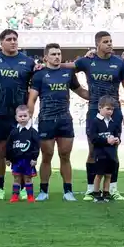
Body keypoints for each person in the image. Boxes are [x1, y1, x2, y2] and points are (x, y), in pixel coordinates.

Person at [73, 32, 124, 200]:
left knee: (112, 150)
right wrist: (80, 91)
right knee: (93, 150)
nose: (110, 44)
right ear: (97, 44)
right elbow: (67, 70)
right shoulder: (87, 61)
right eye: (105, 42)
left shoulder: (119, 63)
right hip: (94, 110)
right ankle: (91, 189)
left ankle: (112, 189)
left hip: (115, 112)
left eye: (111, 41)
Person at [0, 29, 39, 200]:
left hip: (20, 114)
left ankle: (22, 187)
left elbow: (36, 82)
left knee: (23, 151)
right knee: (0, 151)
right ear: (1, 43)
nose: (13, 42)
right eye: (9, 39)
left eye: (15, 39)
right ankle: (0, 188)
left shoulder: (28, 62)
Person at [28, 43, 79, 201]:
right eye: (53, 54)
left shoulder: (68, 73)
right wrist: (28, 119)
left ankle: (68, 191)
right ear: (45, 57)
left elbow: (80, 91)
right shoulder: (39, 75)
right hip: (46, 120)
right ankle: (44, 191)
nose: (57, 56)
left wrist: (97, 98)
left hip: (65, 120)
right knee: (47, 156)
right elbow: (32, 98)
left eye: (59, 53)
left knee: (65, 156)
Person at [85, 95, 122, 203]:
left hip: (111, 153)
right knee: (99, 174)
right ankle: (96, 193)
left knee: (109, 174)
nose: (110, 111)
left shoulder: (113, 122)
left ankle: (106, 192)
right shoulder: (95, 122)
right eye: (108, 109)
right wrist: (106, 141)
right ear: (100, 108)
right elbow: (93, 139)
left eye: (112, 109)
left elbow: (117, 135)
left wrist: (117, 140)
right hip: (100, 153)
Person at [5, 104, 40, 203]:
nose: (23, 118)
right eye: (20, 116)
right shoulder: (14, 132)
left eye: (25, 116)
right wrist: (7, 158)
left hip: (28, 160)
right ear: (16, 118)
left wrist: (34, 158)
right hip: (16, 160)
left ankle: (30, 196)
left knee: (28, 178)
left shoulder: (33, 132)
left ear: (29, 116)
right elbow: (9, 146)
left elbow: (36, 146)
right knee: (16, 178)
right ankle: (15, 196)